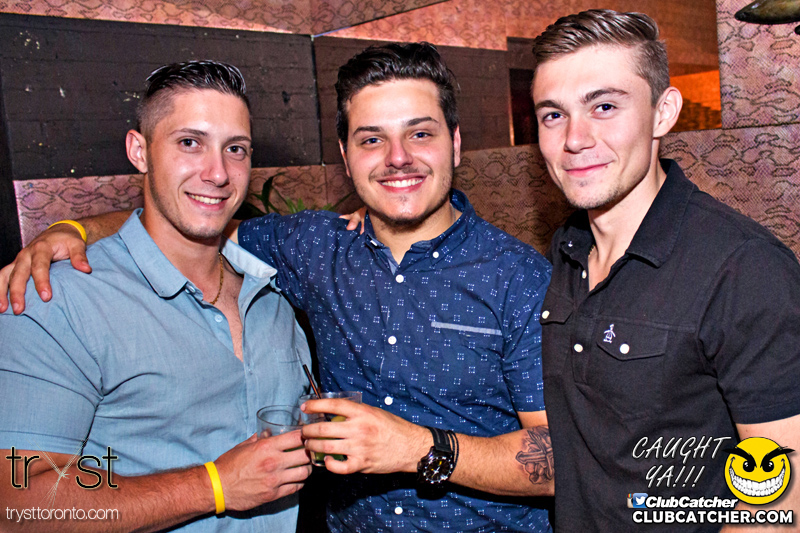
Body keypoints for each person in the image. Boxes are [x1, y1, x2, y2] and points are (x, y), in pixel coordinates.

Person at [0, 43, 555, 532]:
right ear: (346, 157)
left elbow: (559, 460)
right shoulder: (312, 247)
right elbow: (190, 219)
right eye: (372, 139)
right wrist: (69, 230)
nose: (398, 158)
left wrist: (418, 448)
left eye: (420, 134)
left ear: (454, 143)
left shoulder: (518, 276)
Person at [0, 61, 313, 532]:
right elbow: (17, 505)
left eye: (235, 149)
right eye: (190, 143)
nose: (218, 173)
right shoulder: (56, 300)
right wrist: (213, 486)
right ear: (139, 151)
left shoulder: (272, 290)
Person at [531, 9, 800, 531]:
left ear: (663, 113)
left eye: (604, 106)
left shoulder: (744, 268)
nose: (575, 139)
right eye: (553, 115)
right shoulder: (562, 251)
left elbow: (778, 505)